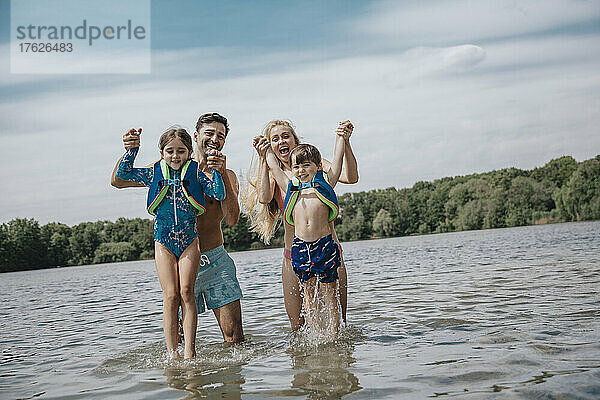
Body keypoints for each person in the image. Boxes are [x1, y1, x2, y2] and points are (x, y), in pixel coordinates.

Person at [111, 113, 244, 343]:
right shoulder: (163, 169)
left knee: (234, 338)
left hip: (215, 262)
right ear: (195, 137)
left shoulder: (227, 176)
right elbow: (118, 181)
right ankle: (182, 373)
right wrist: (130, 150)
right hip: (176, 261)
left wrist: (220, 173)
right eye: (209, 133)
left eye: (220, 136)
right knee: (179, 340)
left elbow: (232, 220)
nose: (214, 139)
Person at [242, 120, 357, 331]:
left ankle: (337, 356)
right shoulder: (280, 176)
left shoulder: (316, 167)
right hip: (295, 253)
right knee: (299, 325)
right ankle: (308, 357)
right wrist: (263, 156)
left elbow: (349, 176)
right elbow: (263, 197)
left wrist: (344, 140)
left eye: (285, 136)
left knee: (338, 318)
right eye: (275, 139)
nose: (281, 141)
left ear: (295, 139)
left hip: (327, 247)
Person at [277, 135, 346, 333]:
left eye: (306, 166)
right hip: (300, 247)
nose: (301, 171)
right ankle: (315, 331)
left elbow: (338, 160)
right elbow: (275, 169)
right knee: (307, 293)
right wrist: (265, 152)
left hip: (324, 245)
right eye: (296, 167)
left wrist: (341, 137)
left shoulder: (325, 185)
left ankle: (333, 333)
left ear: (317, 166)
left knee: (329, 291)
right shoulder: (293, 189)